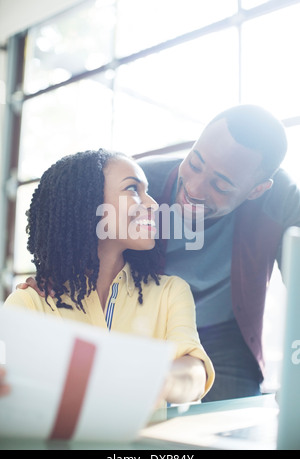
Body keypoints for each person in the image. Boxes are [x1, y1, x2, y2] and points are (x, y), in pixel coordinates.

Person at [3, 148, 214, 405]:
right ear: (88, 202)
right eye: (133, 190)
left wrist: (152, 380)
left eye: (146, 191)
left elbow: (194, 372)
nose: (153, 204)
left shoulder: (170, 292)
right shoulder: (31, 303)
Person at [137, 104, 300, 402]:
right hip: (142, 325)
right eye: (195, 164)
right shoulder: (141, 182)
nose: (195, 189)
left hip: (224, 333)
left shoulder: (282, 199)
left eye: (221, 185)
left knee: (234, 430)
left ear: (257, 190)